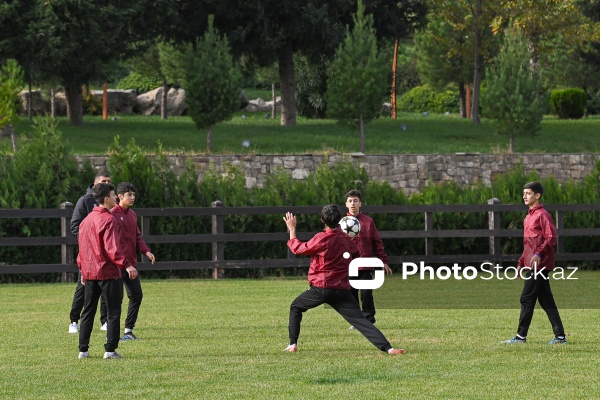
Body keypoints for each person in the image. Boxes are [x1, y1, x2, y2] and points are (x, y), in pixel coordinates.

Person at [282, 205, 405, 355]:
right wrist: (349, 240)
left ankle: (292, 344)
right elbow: (355, 253)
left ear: (322, 220)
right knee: (361, 321)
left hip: (321, 288)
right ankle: (389, 348)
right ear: (340, 220)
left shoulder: (321, 238)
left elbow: (298, 249)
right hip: (341, 289)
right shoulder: (346, 239)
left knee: (296, 307)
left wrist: (292, 229)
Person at [77, 182, 138, 359]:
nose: (115, 198)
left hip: (89, 273)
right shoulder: (108, 219)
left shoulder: (86, 220)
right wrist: (127, 264)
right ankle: (110, 350)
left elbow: (82, 249)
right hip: (108, 272)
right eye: (113, 195)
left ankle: (83, 350)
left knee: (88, 311)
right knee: (113, 311)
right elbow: (113, 249)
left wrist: (82, 268)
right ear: (106, 199)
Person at [502, 181, 567, 345]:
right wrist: (521, 262)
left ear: (537, 195)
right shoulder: (528, 216)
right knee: (546, 301)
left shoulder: (543, 215)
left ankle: (520, 337)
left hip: (540, 265)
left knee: (526, 298)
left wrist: (539, 253)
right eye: (524, 193)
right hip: (532, 265)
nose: (524, 196)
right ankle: (560, 337)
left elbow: (551, 238)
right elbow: (528, 244)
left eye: (528, 193)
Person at [111, 182, 155, 341]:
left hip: (131, 265)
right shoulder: (112, 215)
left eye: (134, 194)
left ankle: (128, 331)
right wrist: (124, 263)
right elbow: (113, 244)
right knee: (115, 301)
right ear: (120, 196)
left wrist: (146, 251)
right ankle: (111, 334)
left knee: (136, 296)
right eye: (129, 195)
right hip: (116, 266)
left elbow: (137, 237)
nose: (133, 197)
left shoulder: (132, 215)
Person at [68, 172, 111, 334]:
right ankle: (74, 321)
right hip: (89, 254)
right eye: (103, 181)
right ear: (94, 184)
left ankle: (105, 321)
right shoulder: (85, 201)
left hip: (106, 253)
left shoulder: (111, 202)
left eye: (108, 181)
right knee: (83, 286)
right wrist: (90, 242)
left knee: (107, 285)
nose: (106, 183)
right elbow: (75, 226)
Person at [345, 189, 392, 329]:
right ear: (346, 204)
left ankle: (369, 319)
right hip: (349, 266)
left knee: (366, 293)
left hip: (365, 264)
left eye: (355, 201)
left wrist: (383, 261)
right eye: (350, 201)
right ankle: (356, 322)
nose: (353, 203)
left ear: (360, 203)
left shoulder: (368, 222)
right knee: (351, 295)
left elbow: (377, 242)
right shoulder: (343, 224)